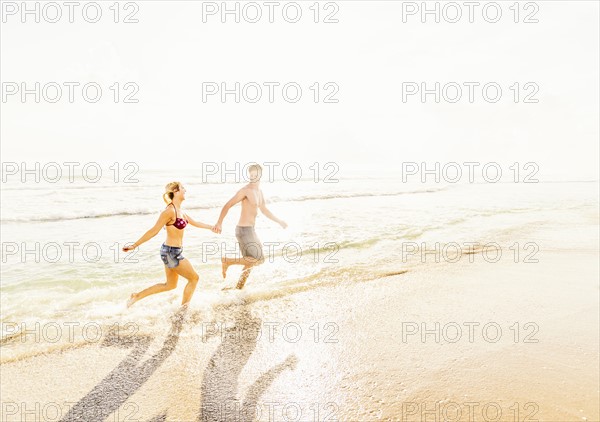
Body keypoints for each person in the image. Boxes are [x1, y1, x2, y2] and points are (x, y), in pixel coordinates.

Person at [123, 182, 213, 307]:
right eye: (182, 188)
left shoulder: (180, 211)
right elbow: (154, 231)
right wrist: (134, 245)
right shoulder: (169, 211)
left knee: (170, 285)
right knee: (194, 278)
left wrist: (212, 227)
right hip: (171, 253)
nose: (185, 190)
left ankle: (137, 296)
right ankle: (184, 309)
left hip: (172, 251)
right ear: (175, 191)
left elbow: (196, 222)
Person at [213, 164, 287, 289]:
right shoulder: (245, 190)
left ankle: (238, 289)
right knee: (258, 259)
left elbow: (264, 210)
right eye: (251, 175)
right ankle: (228, 260)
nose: (253, 177)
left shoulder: (259, 192)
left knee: (250, 262)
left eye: (255, 175)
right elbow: (228, 205)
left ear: (260, 175)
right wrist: (219, 222)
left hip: (250, 230)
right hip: (244, 230)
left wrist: (279, 221)